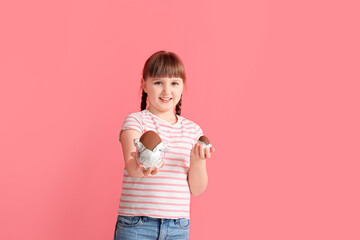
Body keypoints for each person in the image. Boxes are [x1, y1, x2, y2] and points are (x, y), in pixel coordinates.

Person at [114, 50, 215, 240]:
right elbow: (132, 167)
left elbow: (197, 189)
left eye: (174, 83)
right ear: (144, 84)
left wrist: (198, 161)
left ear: (182, 86)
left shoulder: (193, 130)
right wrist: (143, 165)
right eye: (158, 82)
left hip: (177, 226)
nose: (167, 91)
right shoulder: (136, 122)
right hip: (137, 224)